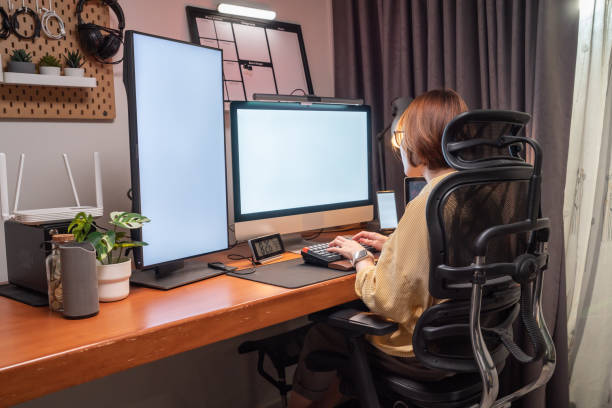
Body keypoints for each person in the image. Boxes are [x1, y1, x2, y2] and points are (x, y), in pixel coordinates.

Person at [288, 89, 469, 408]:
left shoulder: (426, 203)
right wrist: (393, 245)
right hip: (465, 345)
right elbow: (447, 255)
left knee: (322, 332)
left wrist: (359, 259)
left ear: (417, 142)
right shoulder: (464, 192)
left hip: (420, 353)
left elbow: (390, 302)